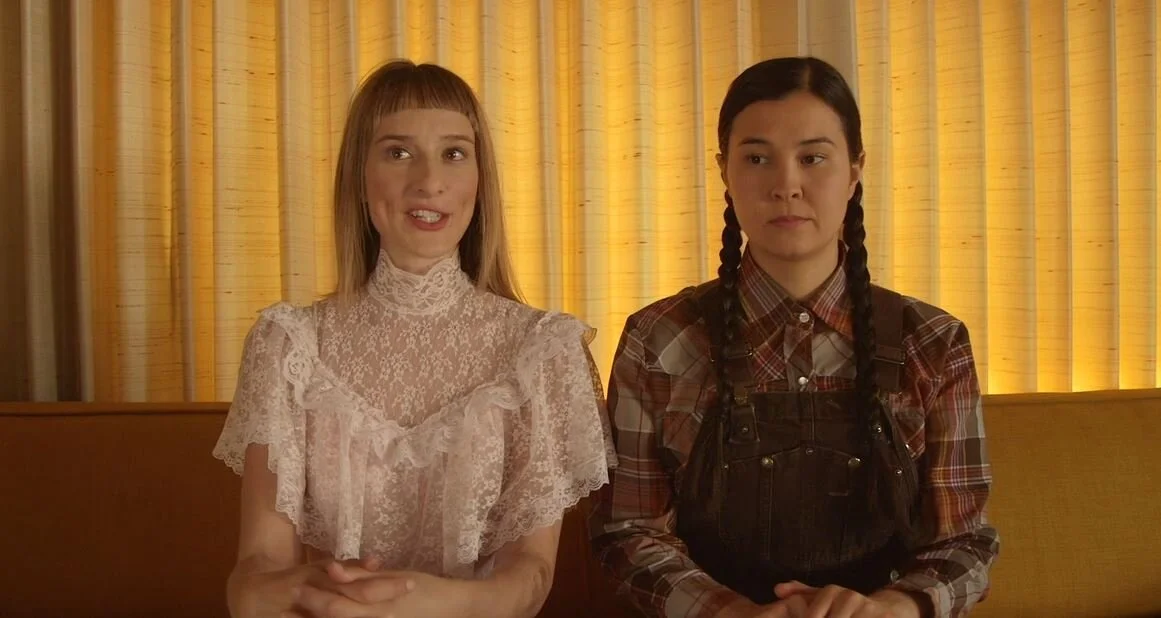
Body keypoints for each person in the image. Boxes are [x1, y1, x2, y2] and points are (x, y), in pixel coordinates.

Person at [590, 56, 998, 618]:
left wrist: (892, 608)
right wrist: (733, 612)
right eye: (757, 158)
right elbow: (629, 531)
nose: (786, 185)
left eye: (813, 158)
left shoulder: (933, 342)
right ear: (724, 172)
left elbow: (964, 541)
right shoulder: (659, 339)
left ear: (854, 171)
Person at [213, 59, 616, 618]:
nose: (429, 180)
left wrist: (432, 602)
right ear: (360, 177)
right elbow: (256, 573)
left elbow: (532, 574)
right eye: (398, 152)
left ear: (479, 180)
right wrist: (310, 592)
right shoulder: (288, 346)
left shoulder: (542, 350)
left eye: (454, 153)